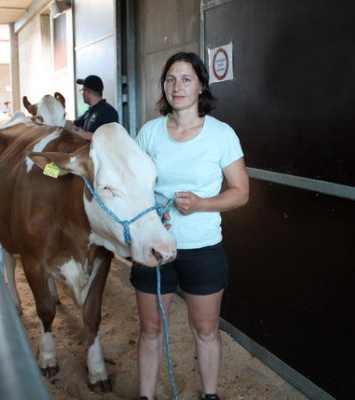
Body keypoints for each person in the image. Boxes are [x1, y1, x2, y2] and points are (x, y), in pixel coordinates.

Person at [130, 52, 250, 400]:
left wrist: (202, 204)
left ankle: (209, 394)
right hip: (154, 246)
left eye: (185, 78)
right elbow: (135, 187)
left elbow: (241, 193)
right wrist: (152, 211)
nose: (176, 86)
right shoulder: (149, 133)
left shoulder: (221, 135)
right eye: (169, 79)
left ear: (200, 86)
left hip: (202, 247)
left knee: (206, 329)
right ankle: (146, 396)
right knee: (151, 330)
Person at [65, 74, 118, 140]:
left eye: (82, 90)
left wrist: (81, 133)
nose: (82, 94)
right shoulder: (89, 112)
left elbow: (110, 138)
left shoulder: (108, 112)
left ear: (87, 92)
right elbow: (73, 124)